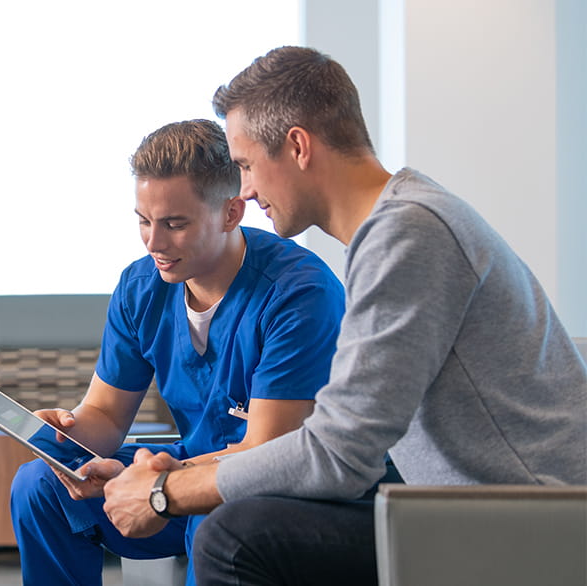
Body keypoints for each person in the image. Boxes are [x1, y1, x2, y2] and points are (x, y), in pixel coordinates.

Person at [99, 46, 587, 586]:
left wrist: (166, 492)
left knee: (235, 536)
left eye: (246, 166)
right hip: (468, 514)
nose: (246, 190)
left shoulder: (409, 234)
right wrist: (172, 474)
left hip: (533, 529)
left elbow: (337, 455)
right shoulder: (398, 226)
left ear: (298, 147)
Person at [8, 119, 346, 586]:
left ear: (231, 213)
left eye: (174, 224)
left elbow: (266, 452)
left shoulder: (299, 293)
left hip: (275, 491)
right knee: (39, 486)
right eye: (143, 221)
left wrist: (158, 483)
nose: (154, 243)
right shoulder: (140, 287)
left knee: (216, 514)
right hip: (186, 464)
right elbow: (105, 415)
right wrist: (64, 436)